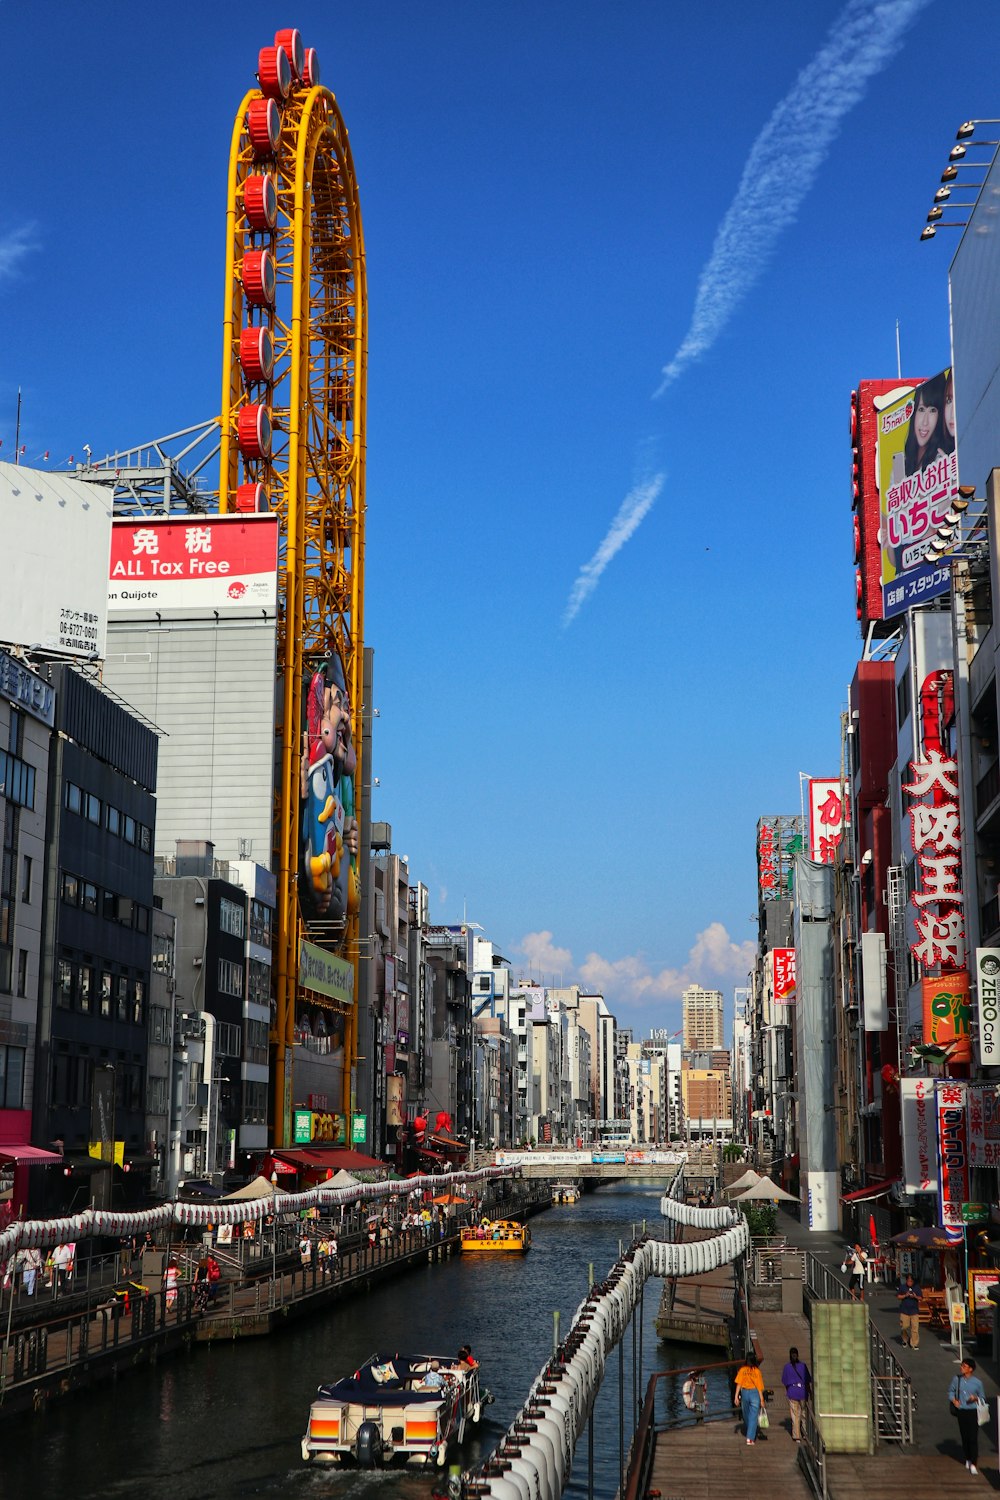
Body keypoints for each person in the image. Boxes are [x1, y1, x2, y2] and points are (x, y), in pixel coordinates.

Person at [904, 372, 948, 476]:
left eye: (932, 411)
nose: (925, 421)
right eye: (921, 409)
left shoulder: (940, 461)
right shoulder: (903, 462)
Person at [949, 1356, 987, 1474]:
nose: (962, 1368)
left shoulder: (977, 1383)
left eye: (964, 1366)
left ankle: (974, 1463)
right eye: (962, 1365)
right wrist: (954, 1400)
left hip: (973, 1411)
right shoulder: (957, 1379)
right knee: (964, 1436)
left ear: (970, 1369)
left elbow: (982, 1397)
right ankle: (968, 1458)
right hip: (961, 1411)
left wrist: (975, 1398)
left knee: (973, 1437)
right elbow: (951, 1391)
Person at [733, 1352, 766, 1445]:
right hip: (749, 1392)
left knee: (751, 1414)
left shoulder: (750, 1370)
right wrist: (736, 1396)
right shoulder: (749, 1370)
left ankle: (750, 1437)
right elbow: (740, 1383)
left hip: (751, 1392)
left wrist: (762, 1399)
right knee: (748, 1414)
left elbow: (758, 1386)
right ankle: (751, 1431)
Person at [780, 1347, 811, 1442]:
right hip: (802, 1392)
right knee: (804, 1414)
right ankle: (805, 1433)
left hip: (792, 1392)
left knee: (795, 1415)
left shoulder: (787, 1367)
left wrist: (789, 1391)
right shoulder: (803, 1366)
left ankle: (796, 1436)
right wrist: (809, 1392)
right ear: (798, 1355)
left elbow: (785, 1382)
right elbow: (807, 1381)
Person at [896, 1271, 922, 1350]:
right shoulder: (903, 1287)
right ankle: (905, 1339)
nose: (909, 1283)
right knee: (904, 1326)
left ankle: (914, 1343)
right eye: (908, 1281)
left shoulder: (917, 1288)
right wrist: (905, 1295)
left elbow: (920, 1298)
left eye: (911, 1281)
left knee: (915, 1328)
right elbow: (898, 1296)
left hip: (914, 1311)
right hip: (904, 1310)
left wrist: (915, 1296)